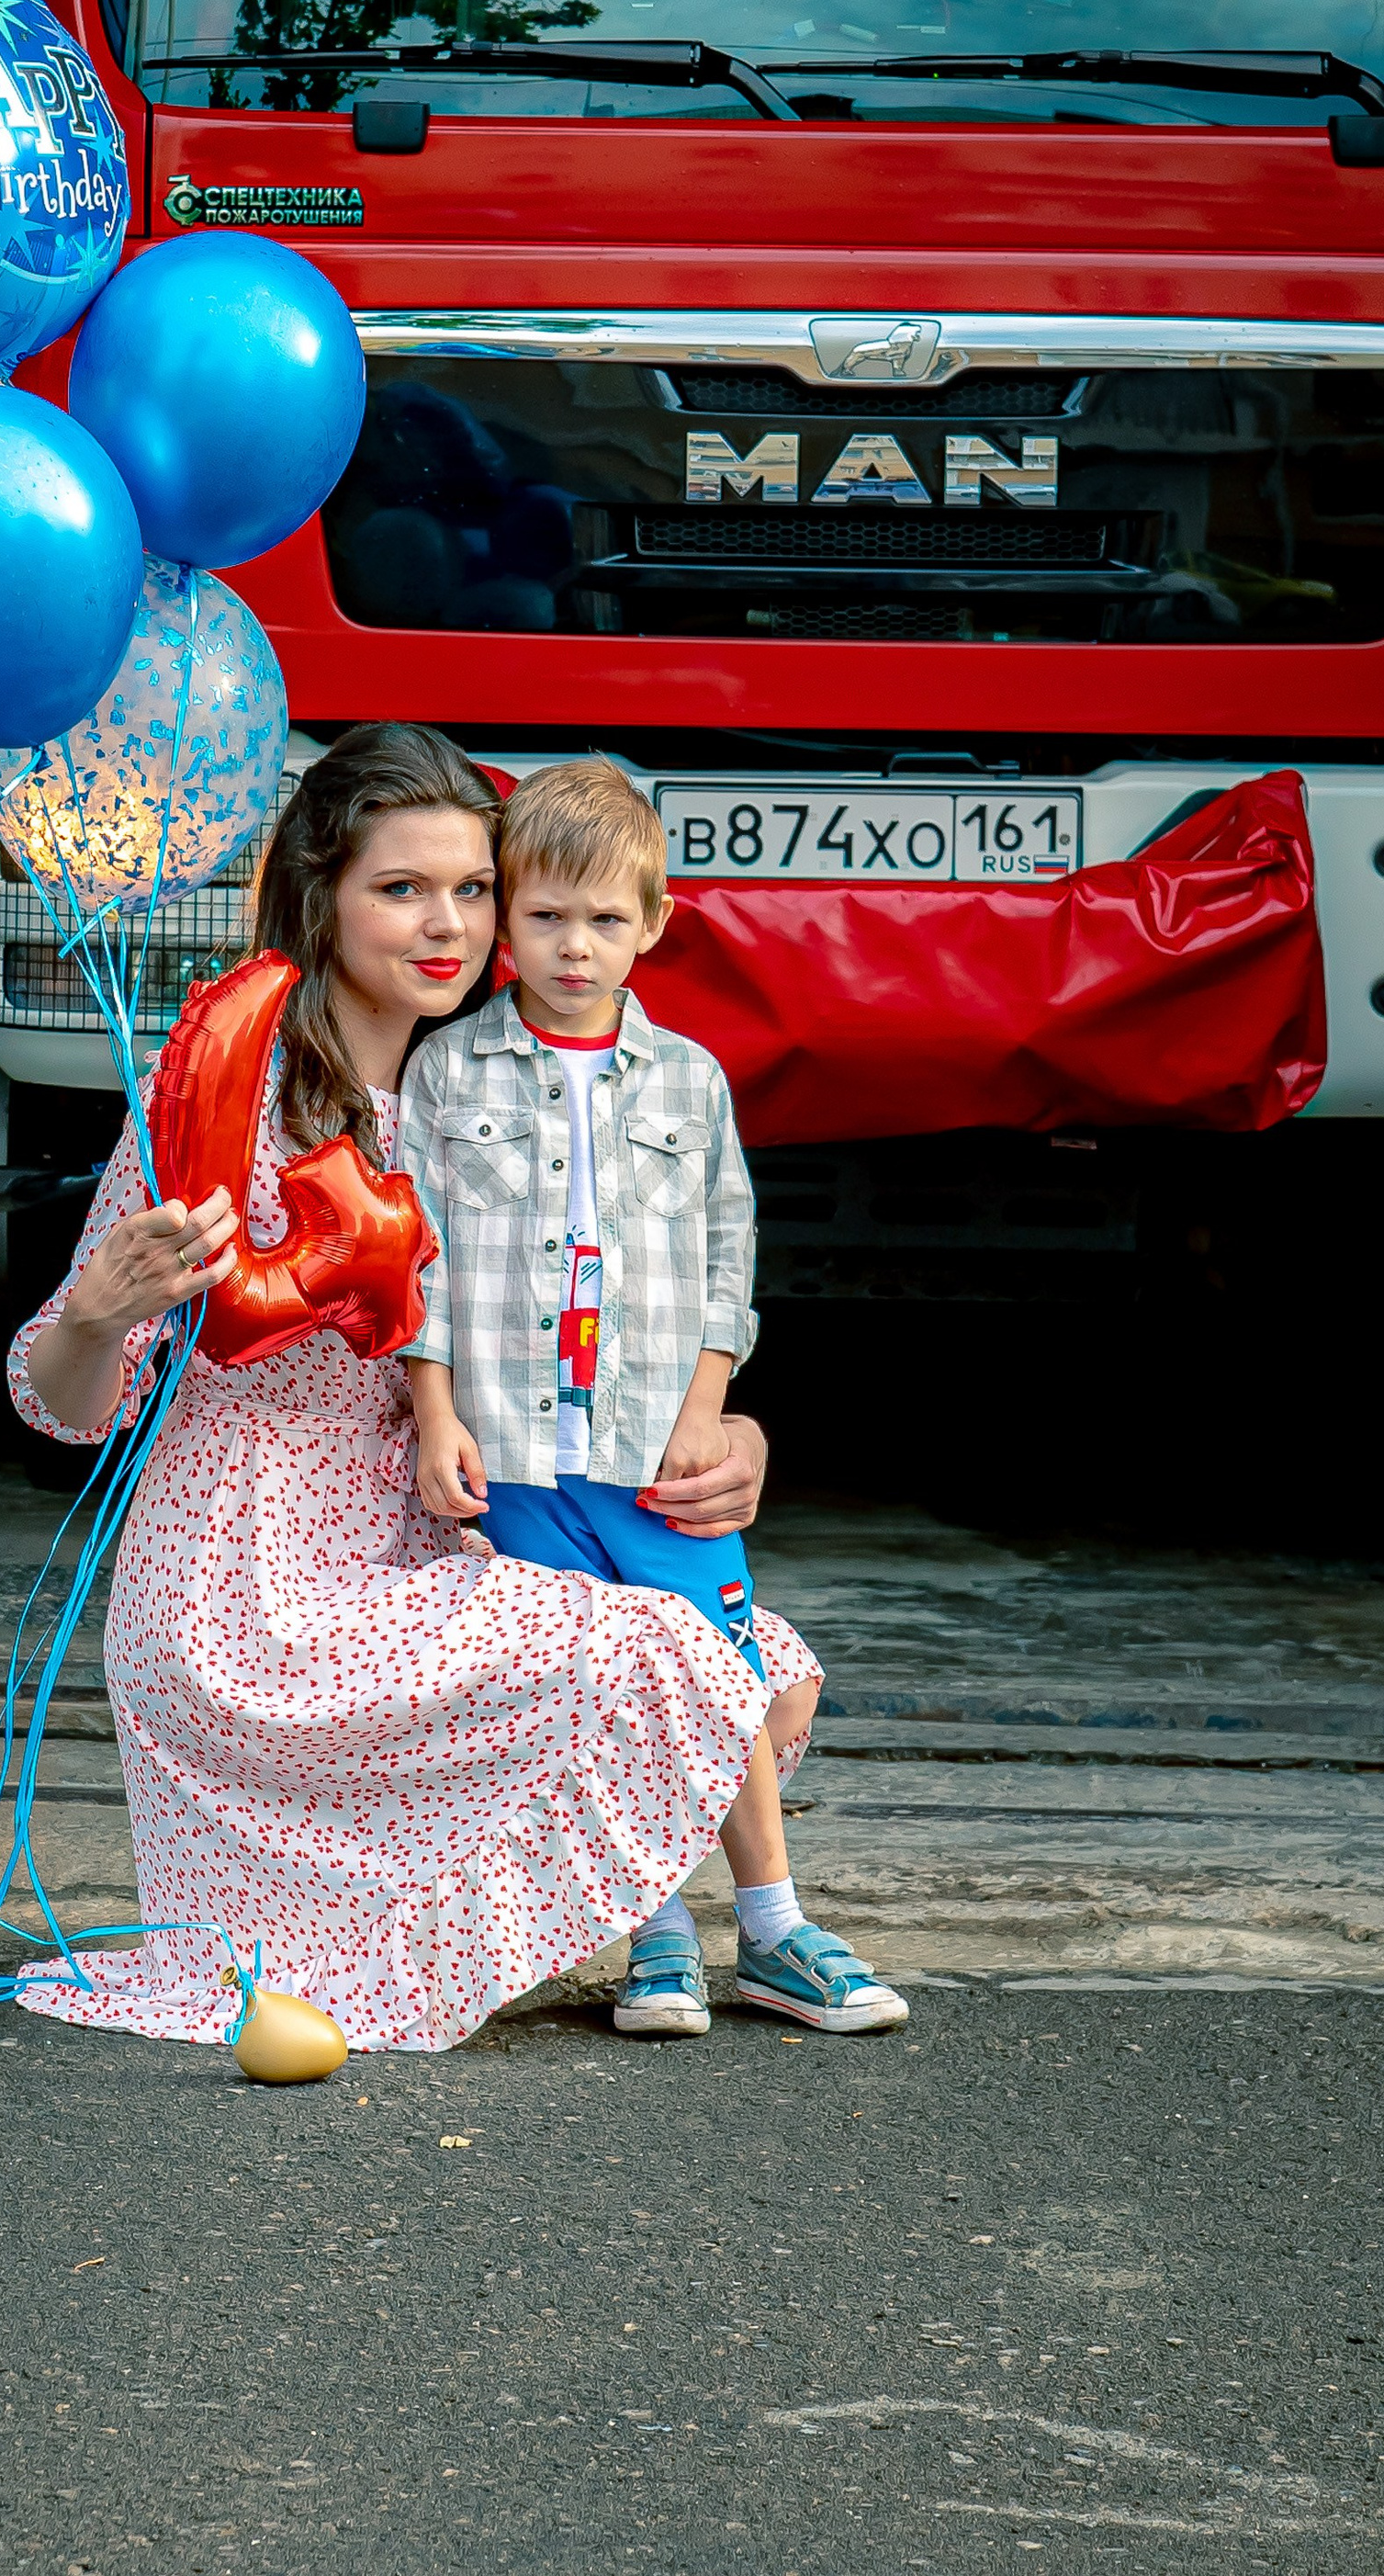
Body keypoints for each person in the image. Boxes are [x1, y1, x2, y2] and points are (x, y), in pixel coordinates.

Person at [10, 722, 810, 2055]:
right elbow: (57, 1399)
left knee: (762, 1673)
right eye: (401, 890)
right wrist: (101, 1309)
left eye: (473, 890)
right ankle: (634, 1937)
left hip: (441, 1526)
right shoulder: (226, 1091)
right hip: (250, 1573)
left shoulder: (510, 1085)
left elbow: (656, 1293)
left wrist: (731, 1423)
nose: (448, 925)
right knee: (676, 1663)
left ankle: (663, 1936)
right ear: (320, 896)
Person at [401, 757, 909, 2039]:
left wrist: (710, 1402)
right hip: (518, 1446)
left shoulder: (689, 1081)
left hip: (649, 1445)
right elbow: (419, 1257)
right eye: (546, 917)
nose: (575, 947)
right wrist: (435, 1411)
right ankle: (655, 1930)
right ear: (505, 918)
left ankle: (778, 1928)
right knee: (598, 1681)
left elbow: (728, 1256)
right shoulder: (449, 1074)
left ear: (656, 922)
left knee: (717, 1670)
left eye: (606, 919)